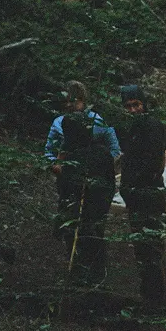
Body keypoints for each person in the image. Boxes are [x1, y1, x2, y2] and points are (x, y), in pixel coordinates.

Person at [44, 81, 120, 286]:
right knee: (70, 223)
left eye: (75, 100)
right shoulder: (59, 123)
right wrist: (55, 165)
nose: (70, 105)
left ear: (83, 101)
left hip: (96, 183)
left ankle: (97, 274)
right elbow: (50, 151)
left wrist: (100, 167)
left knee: (93, 227)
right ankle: (76, 271)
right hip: (69, 181)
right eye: (67, 101)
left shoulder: (98, 122)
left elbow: (114, 150)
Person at [117, 84, 166, 313]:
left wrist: (135, 186)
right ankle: (149, 297)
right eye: (128, 106)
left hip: (149, 195)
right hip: (136, 196)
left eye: (136, 105)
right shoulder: (132, 128)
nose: (133, 110)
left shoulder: (152, 126)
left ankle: (157, 303)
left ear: (144, 104)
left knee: (151, 248)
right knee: (142, 248)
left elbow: (154, 163)